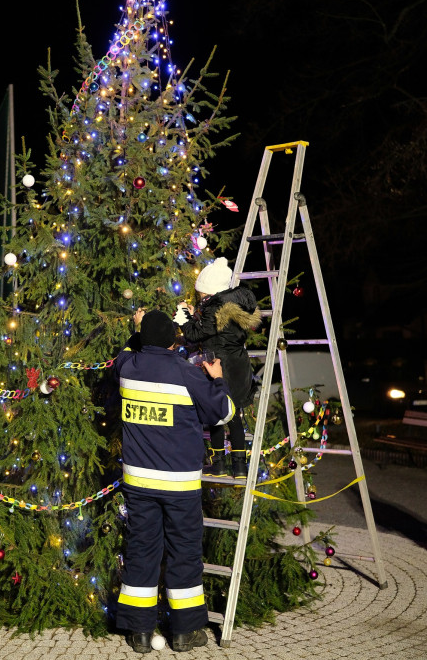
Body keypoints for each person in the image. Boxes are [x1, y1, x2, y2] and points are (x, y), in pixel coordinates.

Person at [115, 308, 235, 653]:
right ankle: (185, 632)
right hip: (179, 485)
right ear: (173, 341)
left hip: (137, 483)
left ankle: (138, 632)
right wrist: (217, 378)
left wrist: (138, 327)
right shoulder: (187, 374)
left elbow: (127, 349)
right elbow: (223, 412)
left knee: (141, 550)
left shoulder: (126, 367)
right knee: (183, 552)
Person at [173, 257, 261, 479]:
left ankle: (219, 464)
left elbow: (194, 335)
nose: (200, 298)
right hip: (239, 364)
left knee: (217, 415)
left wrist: (184, 316)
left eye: (202, 295)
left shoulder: (216, 307)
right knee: (235, 416)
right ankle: (240, 467)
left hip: (219, 366)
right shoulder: (233, 305)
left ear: (210, 292)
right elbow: (213, 330)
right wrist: (197, 316)